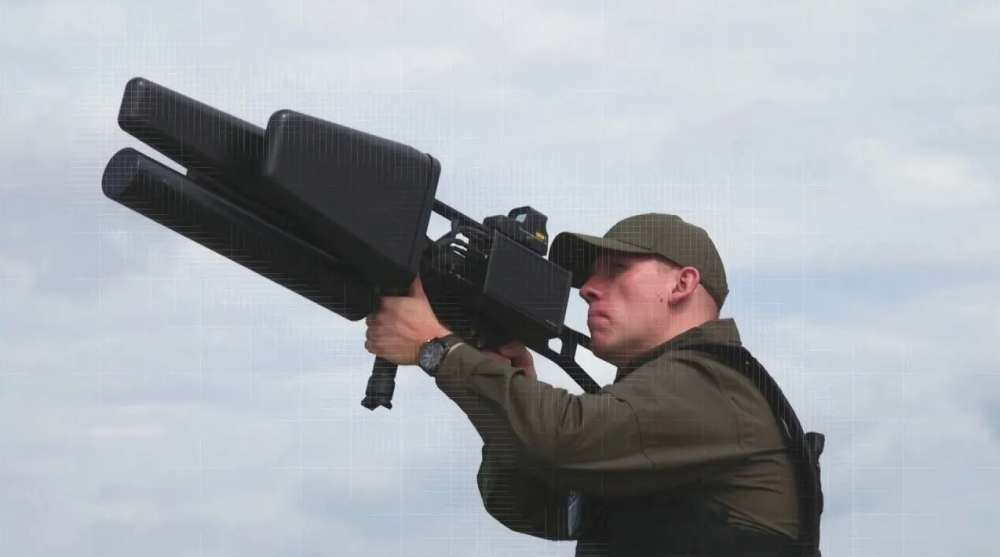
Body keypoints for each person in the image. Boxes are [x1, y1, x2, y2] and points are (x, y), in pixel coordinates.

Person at [364, 213, 824, 557]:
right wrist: (511, 387)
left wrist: (438, 349)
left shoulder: (712, 384)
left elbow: (563, 437)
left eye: (616, 269)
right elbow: (529, 507)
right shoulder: (657, 400)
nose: (587, 288)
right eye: (589, 277)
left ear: (682, 284)